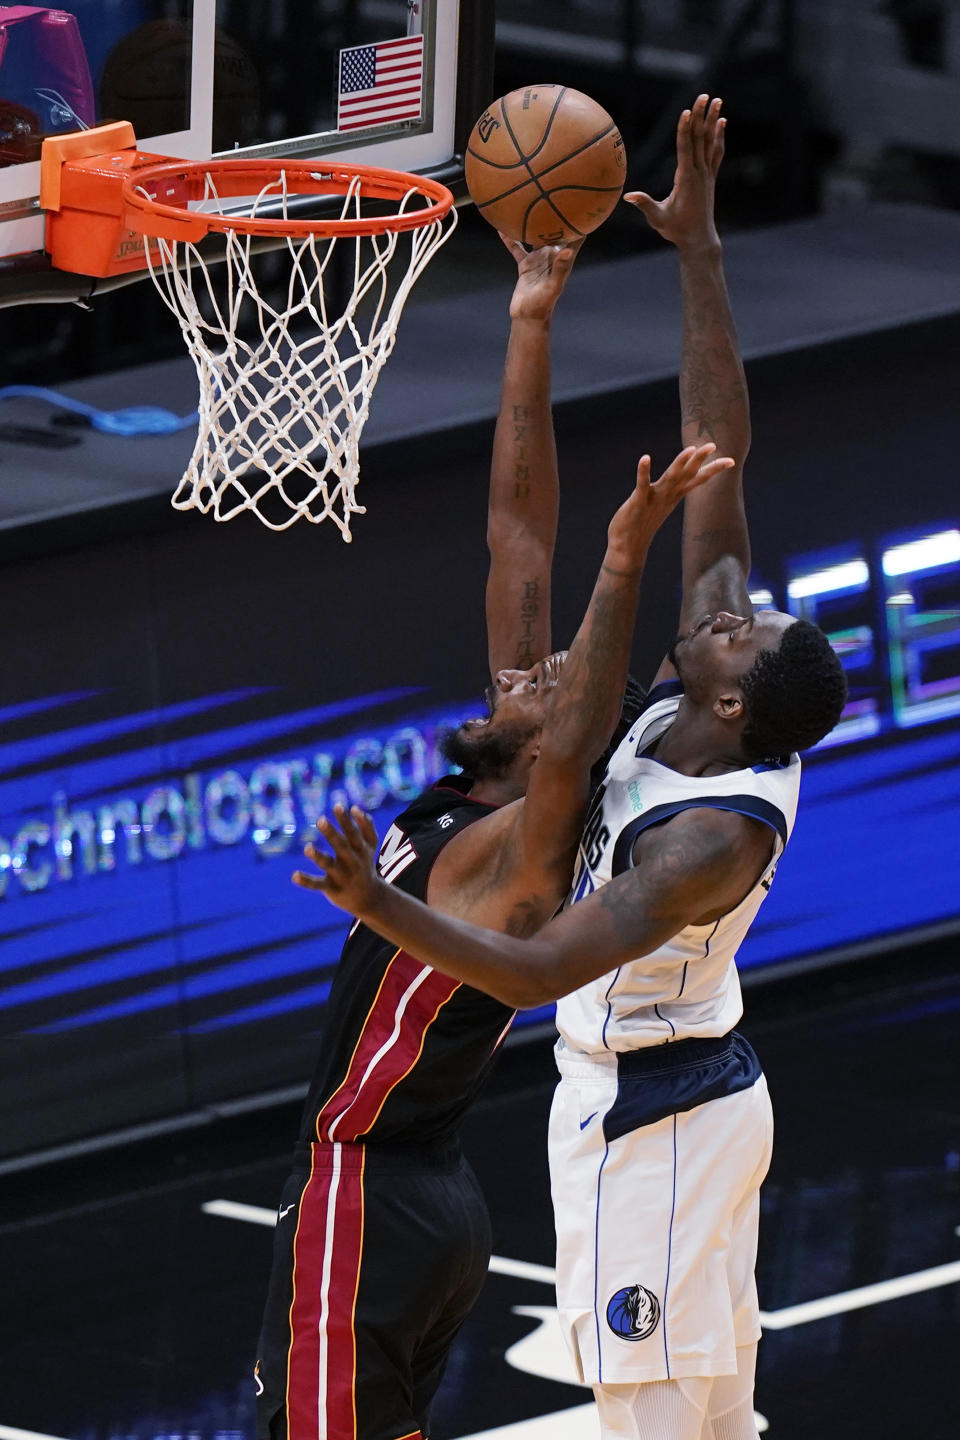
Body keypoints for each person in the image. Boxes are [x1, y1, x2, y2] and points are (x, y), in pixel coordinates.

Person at [294, 96, 848, 1440]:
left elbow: (538, 970)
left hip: (655, 1112)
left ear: (728, 696)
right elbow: (712, 461)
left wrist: (381, 909)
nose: (720, 601)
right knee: (715, 1422)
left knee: (656, 1425)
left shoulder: (705, 839)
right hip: (672, 1095)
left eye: (732, 622)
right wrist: (697, 252)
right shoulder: (703, 702)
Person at [255, 224, 733, 1440]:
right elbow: (517, 529)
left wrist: (627, 560)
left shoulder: (523, 855)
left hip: (368, 1189)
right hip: (427, 1194)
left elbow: (573, 742)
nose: (527, 673)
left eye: (552, 676)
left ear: (555, 737)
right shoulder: (493, 788)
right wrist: (529, 320)